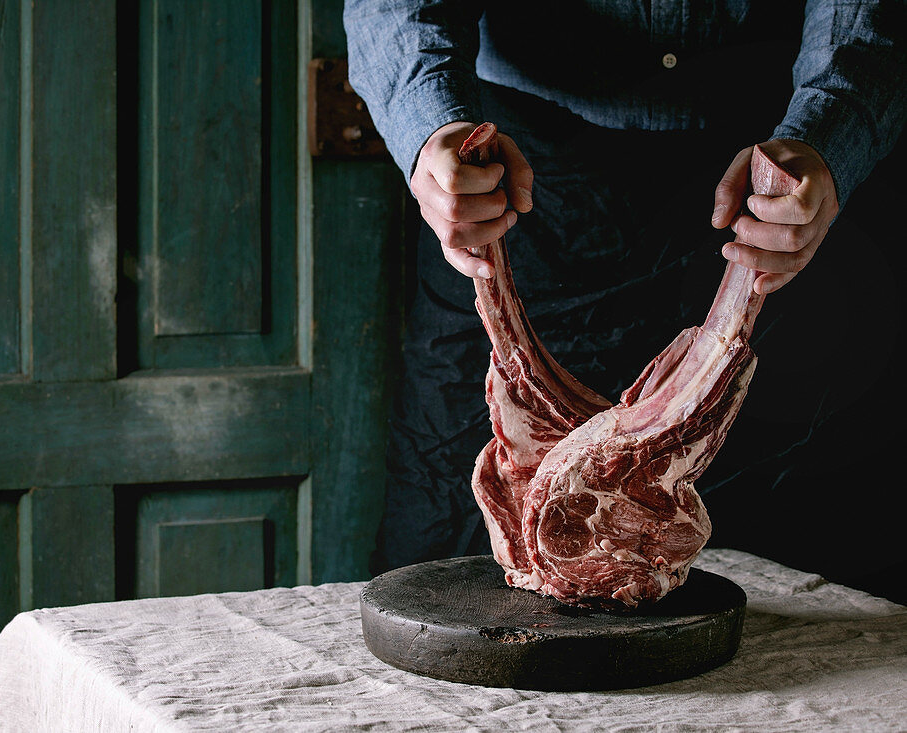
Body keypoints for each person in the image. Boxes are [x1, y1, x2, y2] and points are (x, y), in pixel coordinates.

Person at [343, 1, 907, 578]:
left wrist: (831, 132)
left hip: (770, 170)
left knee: (806, 567)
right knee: (453, 550)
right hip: (519, 175)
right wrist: (430, 124)